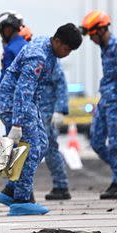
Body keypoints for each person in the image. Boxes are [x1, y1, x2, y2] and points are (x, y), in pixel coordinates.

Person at [0, 23, 82, 215]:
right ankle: (21, 199)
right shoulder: (38, 56)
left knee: (43, 144)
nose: (67, 54)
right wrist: (17, 123)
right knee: (32, 147)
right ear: (57, 41)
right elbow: (22, 91)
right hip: (14, 105)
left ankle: (11, 190)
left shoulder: (50, 50)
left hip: (28, 105)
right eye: (66, 49)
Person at [80, 10, 117, 199]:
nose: (92, 39)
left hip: (116, 102)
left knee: (116, 143)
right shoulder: (104, 48)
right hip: (105, 101)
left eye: (92, 35)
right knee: (96, 141)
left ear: (101, 30)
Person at [39, 61, 71, 200]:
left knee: (50, 148)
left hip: (48, 113)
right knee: (48, 149)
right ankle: (61, 185)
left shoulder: (50, 61)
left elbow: (61, 84)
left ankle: (61, 186)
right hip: (38, 110)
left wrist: (60, 110)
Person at [0, 12, 27, 86]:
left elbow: (6, 78)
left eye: (1, 32)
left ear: (8, 29)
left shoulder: (10, 49)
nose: (1, 36)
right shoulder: (26, 44)